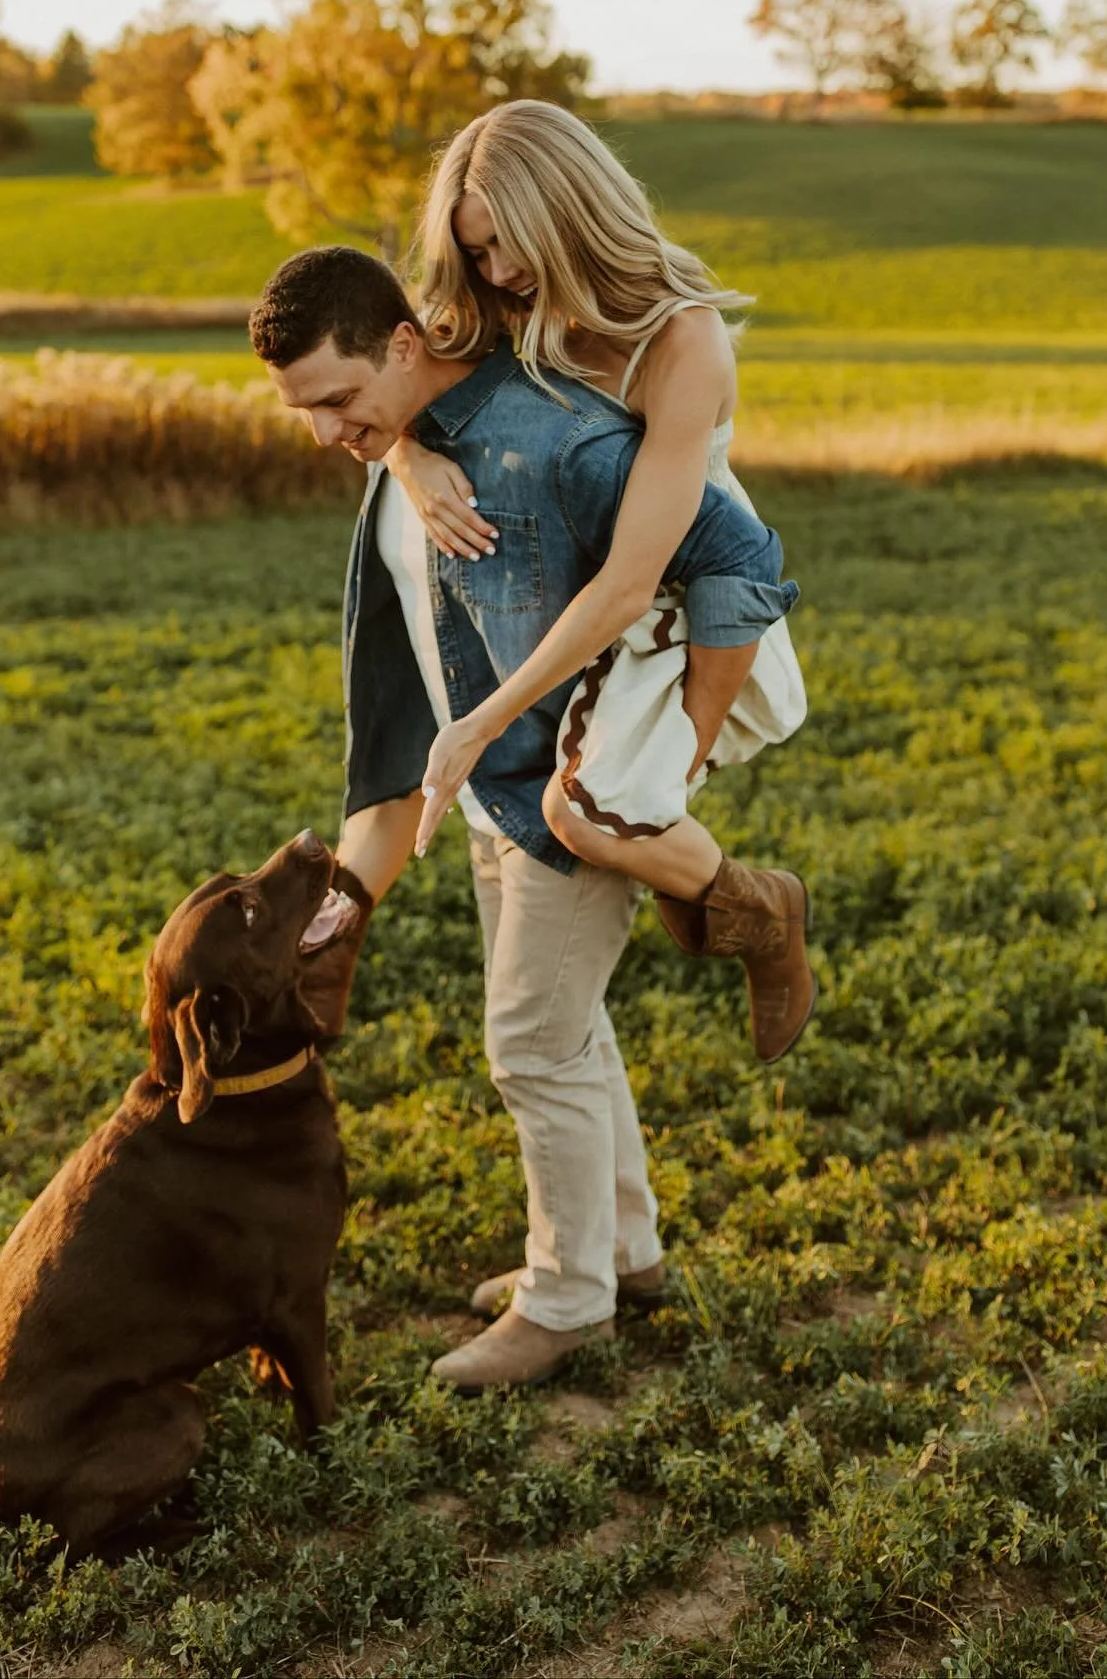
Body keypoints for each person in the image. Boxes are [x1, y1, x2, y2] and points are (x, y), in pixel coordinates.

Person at [251, 245, 814, 1391]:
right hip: (486, 792)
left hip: (567, 788)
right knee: (568, 1028)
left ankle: (566, 1302)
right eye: (306, 411)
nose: (325, 432)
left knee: (529, 1042)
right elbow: (402, 669)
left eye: (340, 402)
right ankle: (623, 1249)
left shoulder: (554, 438)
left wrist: (685, 753)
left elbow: (738, 553)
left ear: (401, 344)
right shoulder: (401, 451)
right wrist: (399, 447)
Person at [389, 100, 810, 1052]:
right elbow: (362, 389)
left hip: (686, 606)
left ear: (566, 210)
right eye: (476, 253)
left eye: (504, 246)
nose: (494, 274)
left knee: (590, 821)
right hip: (579, 609)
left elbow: (633, 582)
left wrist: (477, 725)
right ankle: (719, 891)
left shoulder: (682, 342)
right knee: (590, 830)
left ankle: (765, 913)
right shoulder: (503, 310)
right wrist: (409, 459)